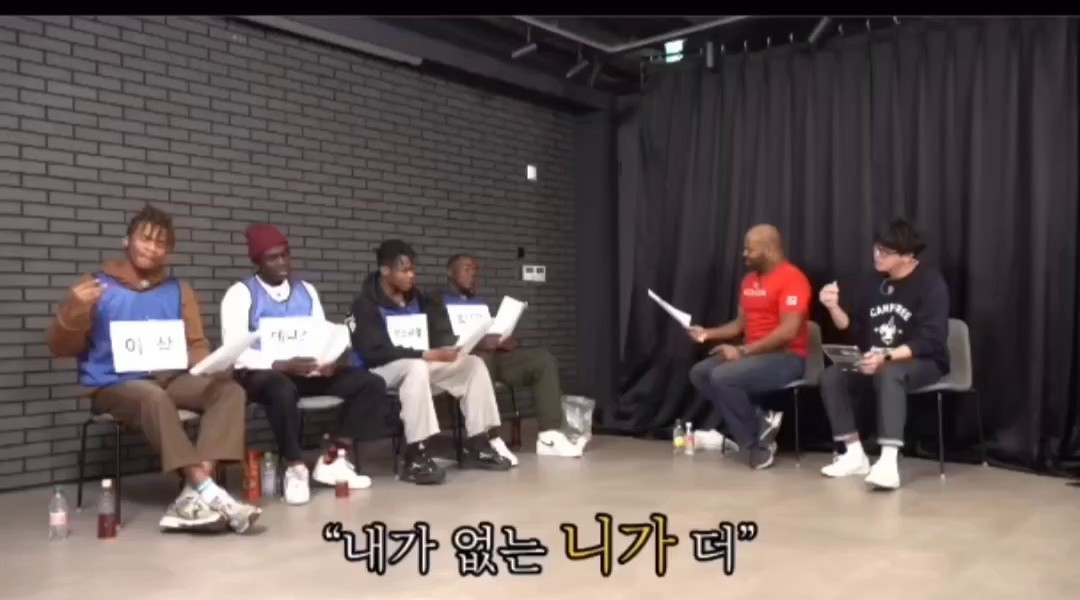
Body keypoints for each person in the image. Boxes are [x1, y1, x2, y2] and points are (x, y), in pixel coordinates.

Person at [45, 205, 260, 534]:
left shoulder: (180, 290)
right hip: (112, 383)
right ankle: (208, 489)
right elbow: (60, 348)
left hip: (168, 377)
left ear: (169, 252)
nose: (152, 248)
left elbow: (195, 345)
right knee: (153, 397)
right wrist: (74, 310)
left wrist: (211, 365)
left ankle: (192, 495)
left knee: (228, 391)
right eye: (145, 239)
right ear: (127, 241)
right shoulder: (95, 286)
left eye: (161, 244)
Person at [221, 224, 389, 505]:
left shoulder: (306, 291)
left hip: (305, 372)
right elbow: (234, 350)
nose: (282, 263)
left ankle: (334, 457)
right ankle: (295, 467)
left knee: (370, 383)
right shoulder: (240, 294)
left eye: (285, 255)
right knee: (281, 388)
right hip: (262, 374)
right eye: (273, 258)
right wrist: (279, 364)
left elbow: (319, 335)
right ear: (257, 262)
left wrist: (328, 360)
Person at [347, 240, 512, 485]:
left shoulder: (416, 299)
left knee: (473, 365)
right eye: (404, 270)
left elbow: (432, 335)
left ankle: (478, 443)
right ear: (385, 271)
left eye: (413, 269)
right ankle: (415, 456)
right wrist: (425, 354)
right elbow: (374, 353)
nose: (411, 275)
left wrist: (449, 347)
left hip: (417, 367)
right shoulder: (365, 304)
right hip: (377, 372)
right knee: (416, 367)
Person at [818, 218, 949, 490]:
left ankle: (888, 462)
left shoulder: (930, 282)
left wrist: (885, 357)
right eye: (876, 248)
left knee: (890, 374)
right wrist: (833, 308)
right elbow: (855, 330)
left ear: (907, 256)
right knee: (832, 376)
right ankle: (854, 453)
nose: (877, 255)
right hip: (877, 359)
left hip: (923, 362)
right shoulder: (871, 282)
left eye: (885, 252)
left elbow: (931, 340)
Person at [686, 224, 811, 469]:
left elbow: (789, 331)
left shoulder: (793, 279)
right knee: (700, 373)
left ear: (769, 249)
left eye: (750, 249)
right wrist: (707, 333)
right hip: (754, 354)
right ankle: (761, 422)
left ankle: (756, 449)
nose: (744, 255)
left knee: (723, 376)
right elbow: (739, 325)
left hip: (787, 357)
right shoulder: (748, 281)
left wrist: (743, 351)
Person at [444, 254, 582, 460]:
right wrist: (481, 343)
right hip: (464, 363)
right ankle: (489, 438)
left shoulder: (477, 303)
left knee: (542, 360)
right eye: (467, 269)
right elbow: (441, 337)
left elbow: (489, 335)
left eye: (475, 270)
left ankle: (549, 436)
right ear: (450, 273)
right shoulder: (438, 301)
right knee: (482, 358)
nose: (473, 274)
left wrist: (502, 340)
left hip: (493, 358)